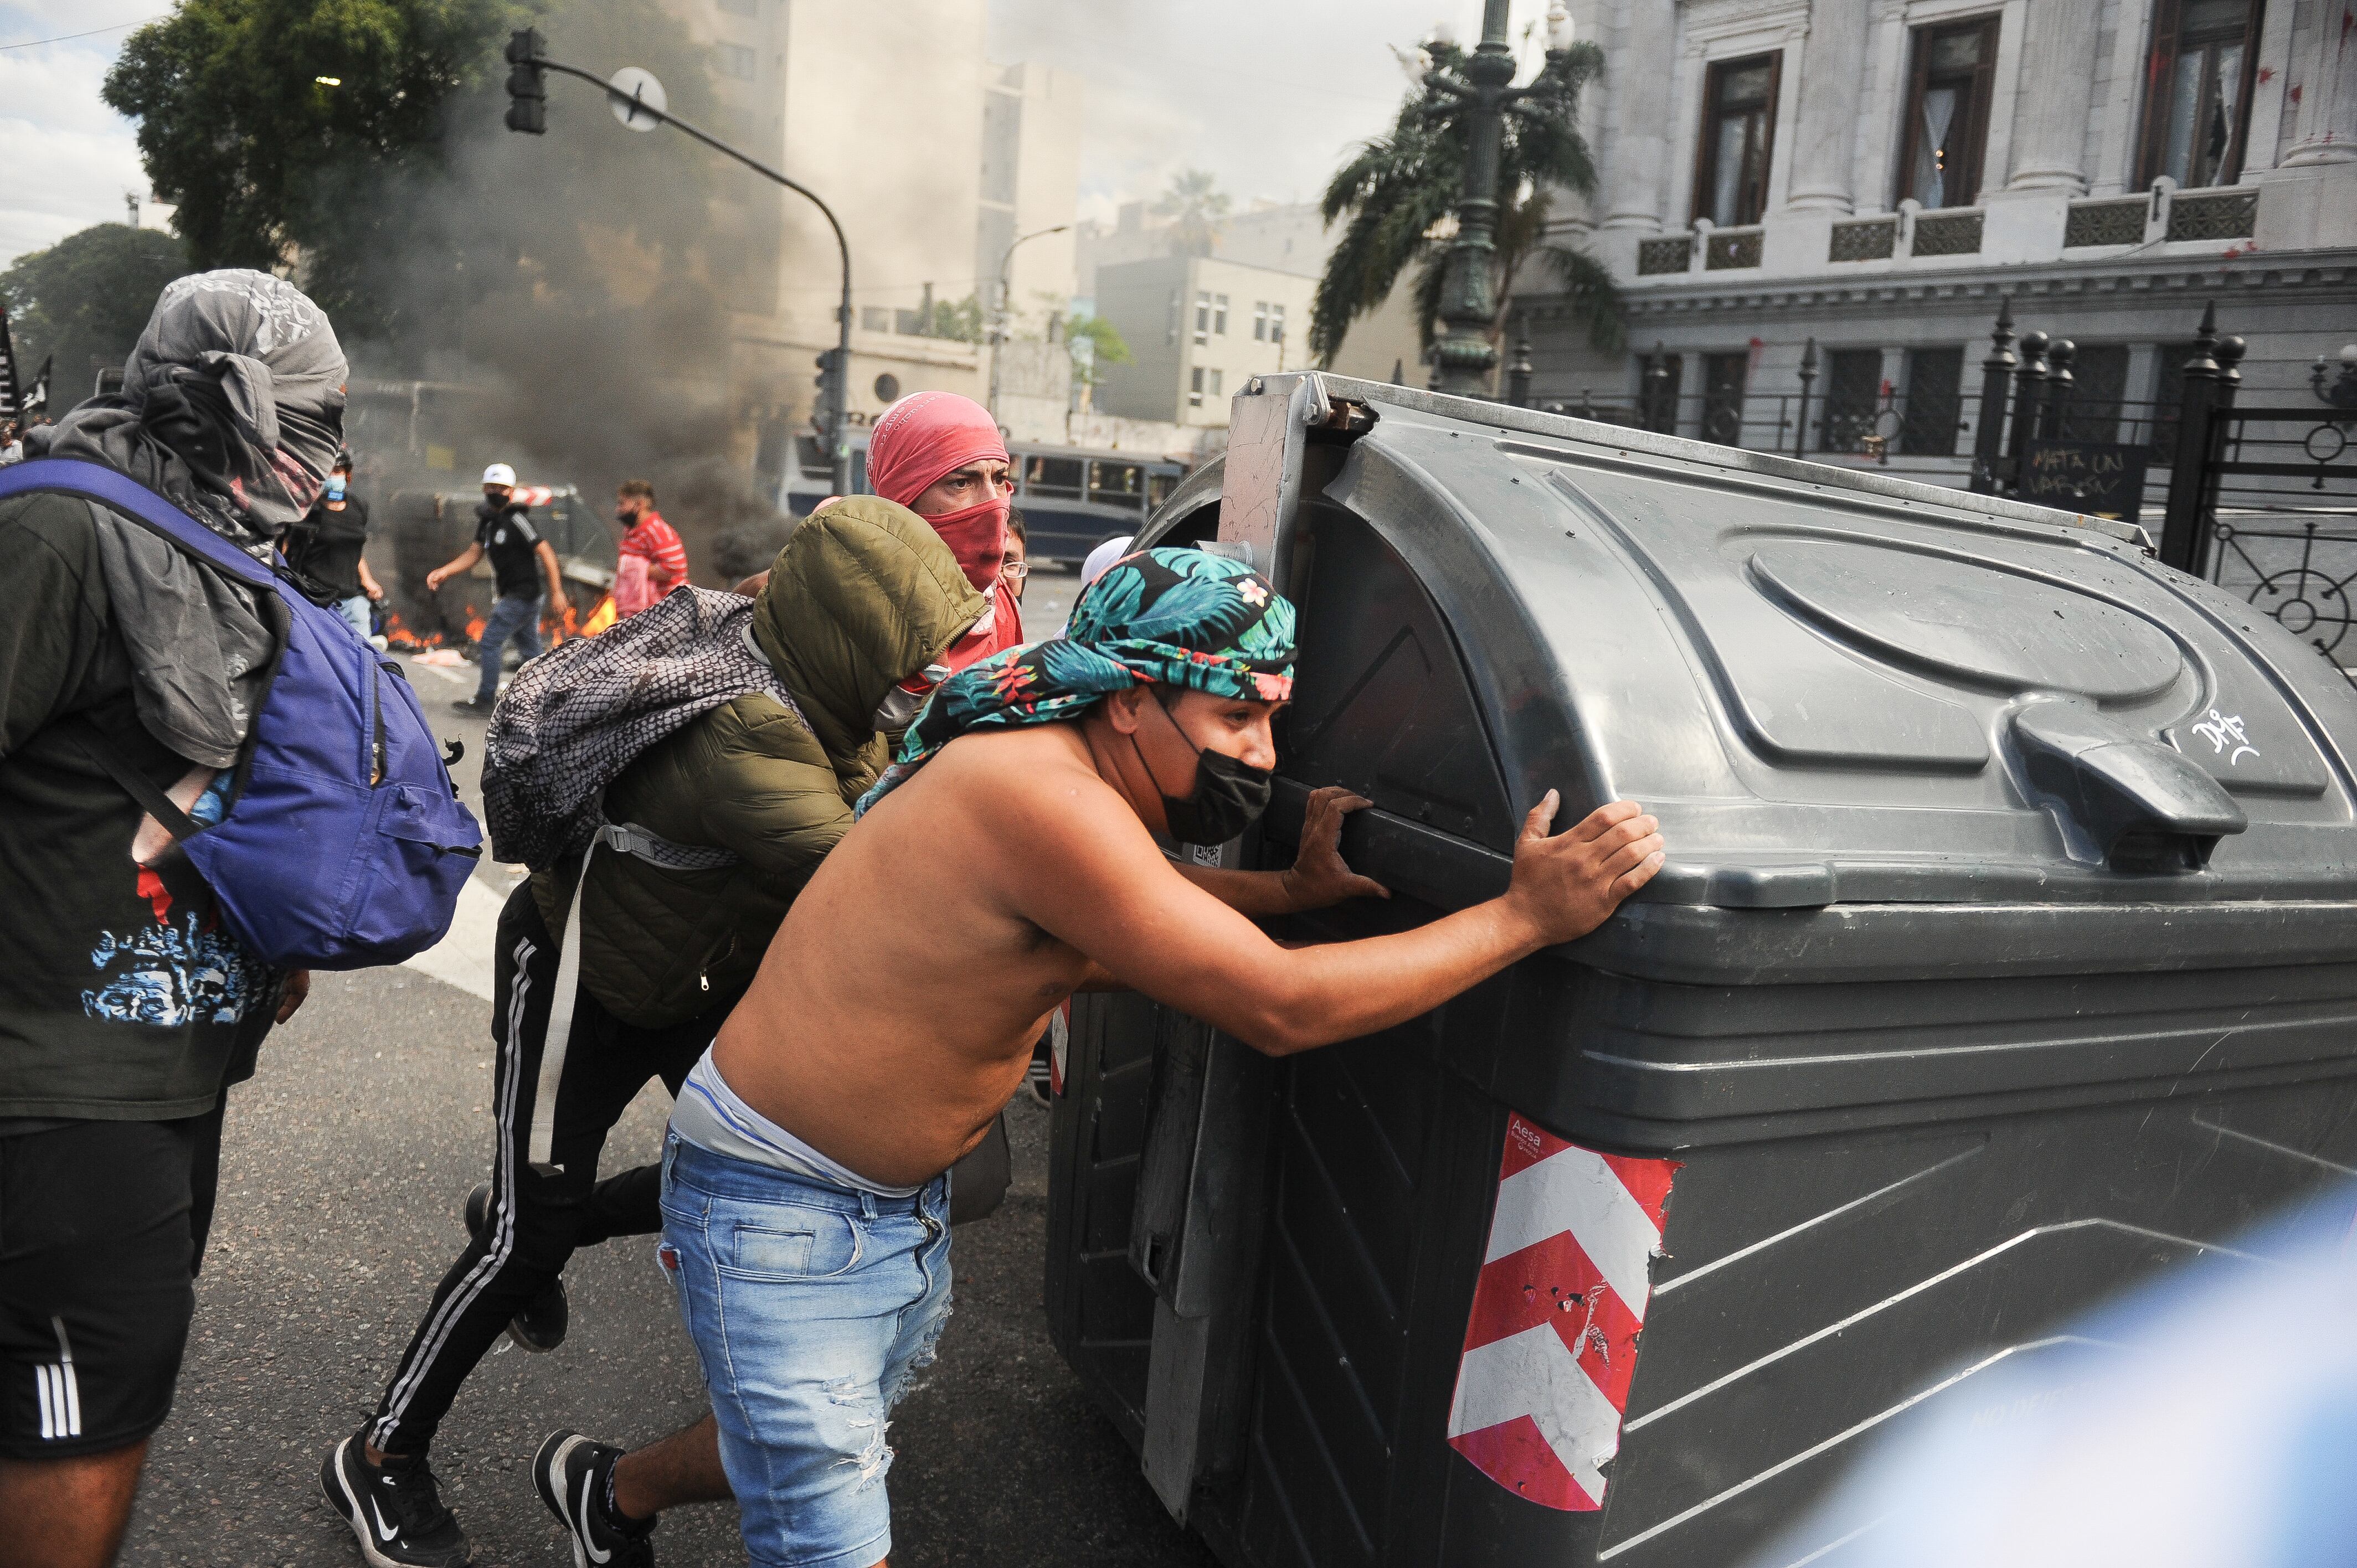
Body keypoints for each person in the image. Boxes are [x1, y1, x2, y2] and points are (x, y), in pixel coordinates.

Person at [652, 546, 1665, 1568]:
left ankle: (608, 1490)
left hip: (882, 1211)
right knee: (826, 1503)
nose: (1263, 756)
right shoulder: (1040, 795)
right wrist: (1525, 916)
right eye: (1236, 717)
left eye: (1269, 720)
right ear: (1131, 700)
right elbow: (1280, 1005)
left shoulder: (1059, 771)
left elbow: (1114, 918)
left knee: (806, 1440)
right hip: (782, 1204)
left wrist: (1287, 895)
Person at [326, 498, 985, 1568]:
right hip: (578, 977)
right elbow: (870, 876)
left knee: (757, 1163)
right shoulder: (750, 726)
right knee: (520, 1245)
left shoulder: (831, 707)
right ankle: (383, 1448)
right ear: (853, 635)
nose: (935, 668)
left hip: (689, 976)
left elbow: (889, 801)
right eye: (923, 648)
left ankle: (550, 1219)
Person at [0, 269, 327, 1568]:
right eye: (308, 420)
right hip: (57, 1083)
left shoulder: (215, 540)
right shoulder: (59, 533)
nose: (326, 454)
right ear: (234, 405)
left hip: (168, 1065)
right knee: (77, 1411)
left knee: (109, 1387)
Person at [863, 390, 1024, 670]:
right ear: (902, 500)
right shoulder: (846, 601)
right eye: (962, 483)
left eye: (1000, 479)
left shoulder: (1002, 609)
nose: (993, 504)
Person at [425, 464, 568, 714]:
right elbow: (473, 554)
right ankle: (548, 701)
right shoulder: (488, 522)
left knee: (490, 643)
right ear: (484, 489)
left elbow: (546, 552)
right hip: (516, 595)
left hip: (523, 594)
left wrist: (557, 591)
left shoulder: (518, 520)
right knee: (531, 651)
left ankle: (485, 698)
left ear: (511, 492)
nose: (495, 492)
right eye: (491, 487)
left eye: (501, 488)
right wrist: (444, 571)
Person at [283, 453, 384, 644]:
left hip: (352, 599)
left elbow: (355, 549)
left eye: (337, 471)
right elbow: (287, 547)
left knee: (360, 652)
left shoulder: (358, 507)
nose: (332, 476)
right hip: (314, 597)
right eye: (327, 471)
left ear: (348, 476)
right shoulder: (306, 509)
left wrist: (369, 581)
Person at [611, 478, 688, 618]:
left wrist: (636, 570)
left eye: (622, 503)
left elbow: (676, 567)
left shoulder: (657, 531)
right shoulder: (632, 533)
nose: (618, 509)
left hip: (668, 612)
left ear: (639, 505)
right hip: (649, 615)